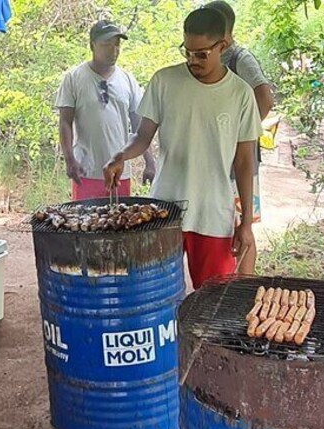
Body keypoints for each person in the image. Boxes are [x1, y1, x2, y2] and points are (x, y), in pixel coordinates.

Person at [104, 7, 261, 289]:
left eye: (202, 54)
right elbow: (142, 137)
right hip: (164, 211)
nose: (193, 60)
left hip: (213, 214)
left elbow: (245, 162)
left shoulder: (240, 94)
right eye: (187, 51)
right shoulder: (164, 81)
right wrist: (120, 156)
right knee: (157, 293)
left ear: (222, 46)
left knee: (214, 298)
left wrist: (246, 223)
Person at [205, 1, 274, 275]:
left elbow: (265, 98)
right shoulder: (209, 57)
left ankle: (244, 286)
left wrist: (241, 135)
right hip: (215, 159)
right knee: (221, 223)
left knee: (242, 224)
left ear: (224, 30)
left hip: (239, 161)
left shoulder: (239, 58)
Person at [56, 20, 154, 201]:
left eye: (117, 45)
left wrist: (150, 162)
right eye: (106, 45)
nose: (113, 50)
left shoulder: (127, 80)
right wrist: (70, 160)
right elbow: (65, 122)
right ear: (92, 45)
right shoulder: (74, 78)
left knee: (119, 223)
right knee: (85, 223)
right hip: (86, 170)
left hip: (120, 172)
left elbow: (139, 127)